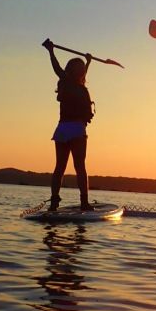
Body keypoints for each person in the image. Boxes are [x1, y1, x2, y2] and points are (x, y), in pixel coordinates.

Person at [43, 39, 95, 212]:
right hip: (75, 129)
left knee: (60, 167)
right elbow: (57, 68)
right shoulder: (77, 87)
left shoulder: (68, 84)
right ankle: (84, 203)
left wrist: (88, 62)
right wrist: (51, 52)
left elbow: (72, 74)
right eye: (81, 68)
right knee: (80, 167)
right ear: (76, 70)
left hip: (62, 129)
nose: (83, 71)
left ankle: (54, 202)